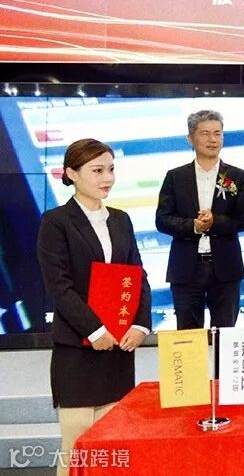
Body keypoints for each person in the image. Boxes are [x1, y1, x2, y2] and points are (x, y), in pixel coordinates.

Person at [37, 139, 151, 476]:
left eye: (111, 169)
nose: (108, 178)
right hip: (78, 348)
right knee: (76, 445)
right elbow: (59, 286)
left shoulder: (121, 219)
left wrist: (140, 325)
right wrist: (95, 330)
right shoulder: (56, 221)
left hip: (118, 348)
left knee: (114, 444)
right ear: (72, 174)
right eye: (97, 171)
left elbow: (137, 276)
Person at [156, 110, 244, 330]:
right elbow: (162, 219)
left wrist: (214, 222)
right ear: (190, 138)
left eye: (217, 133)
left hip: (226, 267)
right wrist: (194, 226)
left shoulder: (238, 176)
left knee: (225, 335)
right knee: (188, 336)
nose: (212, 139)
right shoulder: (175, 176)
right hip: (186, 267)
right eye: (205, 133)